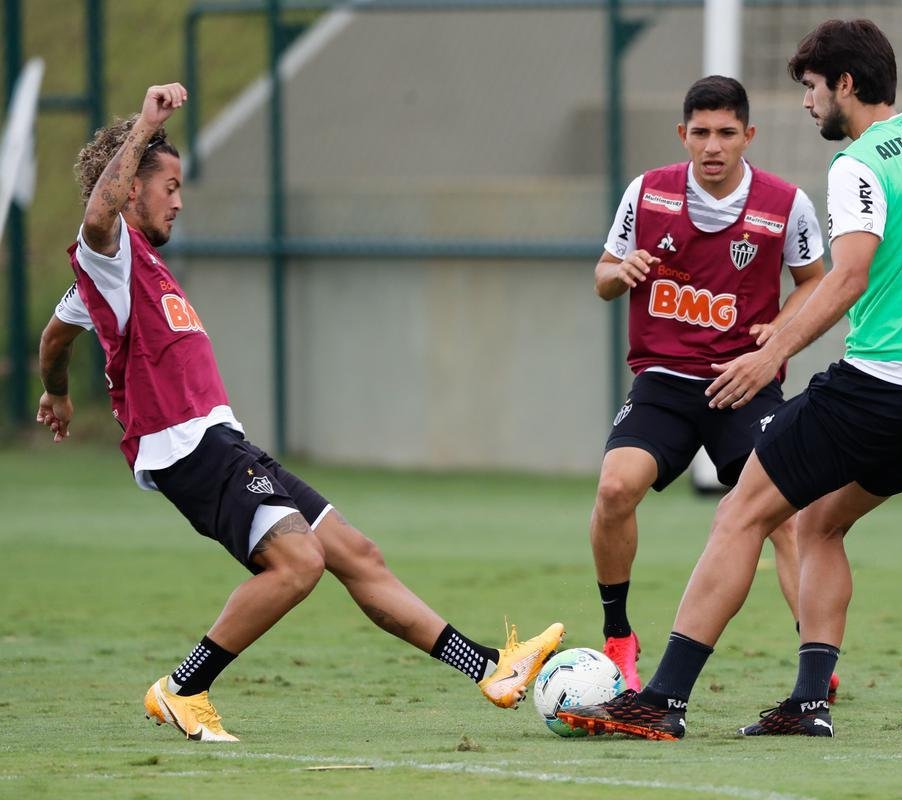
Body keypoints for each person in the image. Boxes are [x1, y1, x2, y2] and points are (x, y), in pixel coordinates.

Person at [559, 19, 902, 739]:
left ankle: (662, 700)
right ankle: (808, 704)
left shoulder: (856, 165)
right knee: (819, 524)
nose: (806, 103)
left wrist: (768, 353)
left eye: (811, 88)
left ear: (845, 84)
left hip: (879, 388)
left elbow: (847, 276)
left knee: (740, 514)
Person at [37, 83, 564, 742]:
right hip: (186, 448)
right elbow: (96, 219)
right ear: (130, 187)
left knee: (356, 553)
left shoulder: (125, 272)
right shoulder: (111, 256)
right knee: (298, 563)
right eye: (168, 186)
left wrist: (57, 391)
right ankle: (182, 687)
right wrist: (145, 124)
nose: (178, 200)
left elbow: (55, 336)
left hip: (221, 441)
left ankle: (490, 668)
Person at [589, 75, 826, 691]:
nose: (713, 145)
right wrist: (622, 270)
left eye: (726, 133)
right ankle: (619, 636)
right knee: (614, 489)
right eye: (701, 133)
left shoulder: (786, 204)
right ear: (683, 135)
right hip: (664, 381)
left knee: (785, 517)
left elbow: (815, 283)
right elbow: (603, 276)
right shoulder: (646, 192)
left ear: (748, 135)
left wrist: (777, 332)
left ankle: (814, 658)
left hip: (742, 384)